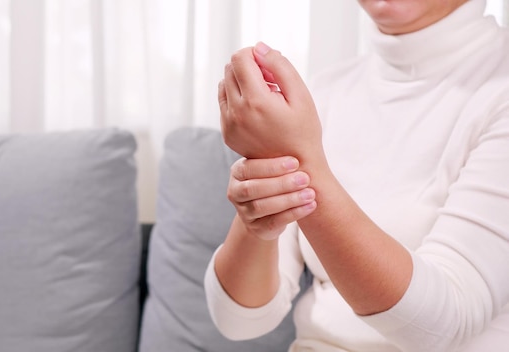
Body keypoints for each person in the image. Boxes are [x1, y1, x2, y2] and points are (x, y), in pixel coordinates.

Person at [204, 0, 509, 351]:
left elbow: (445, 324)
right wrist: (259, 212)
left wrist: (304, 164)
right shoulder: (325, 91)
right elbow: (238, 321)